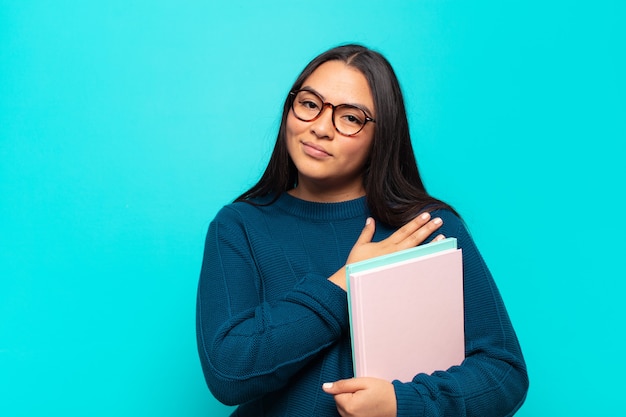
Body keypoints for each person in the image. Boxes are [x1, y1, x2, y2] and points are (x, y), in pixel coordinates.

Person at [196, 44, 528, 417]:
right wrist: (346, 283)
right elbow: (228, 371)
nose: (320, 128)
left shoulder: (425, 228)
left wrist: (402, 403)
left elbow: (505, 374)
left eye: (351, 118)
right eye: (309, 104)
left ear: (381, 136)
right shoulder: (240, 226)